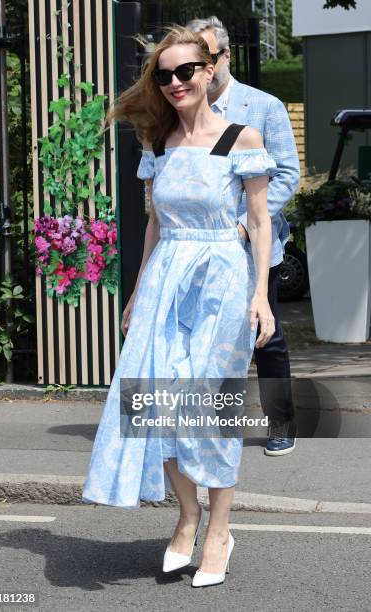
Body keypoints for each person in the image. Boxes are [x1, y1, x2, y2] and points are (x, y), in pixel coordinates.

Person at [82, 26, 278, 588]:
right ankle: (187, 518)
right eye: (163, 74)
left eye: (184, 71)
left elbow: (261, 222)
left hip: (222, 276)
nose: (174, 83)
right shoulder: (158, 143)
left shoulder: (241, 138)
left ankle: (220, 529)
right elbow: (154, 223)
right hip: (167, 273)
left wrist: (261, 295)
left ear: (209, 71)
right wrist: (140, 291)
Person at [186, 16, 300, 456]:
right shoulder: (182, 112)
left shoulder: (263, 107)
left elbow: (287, 175)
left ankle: (281, 422)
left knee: (263, 336)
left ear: (226, 56)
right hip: (199, 249)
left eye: (208, 59)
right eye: (194, 62)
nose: (201, 71)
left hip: (253, 245)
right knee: (209, 335)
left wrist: (242, 223)